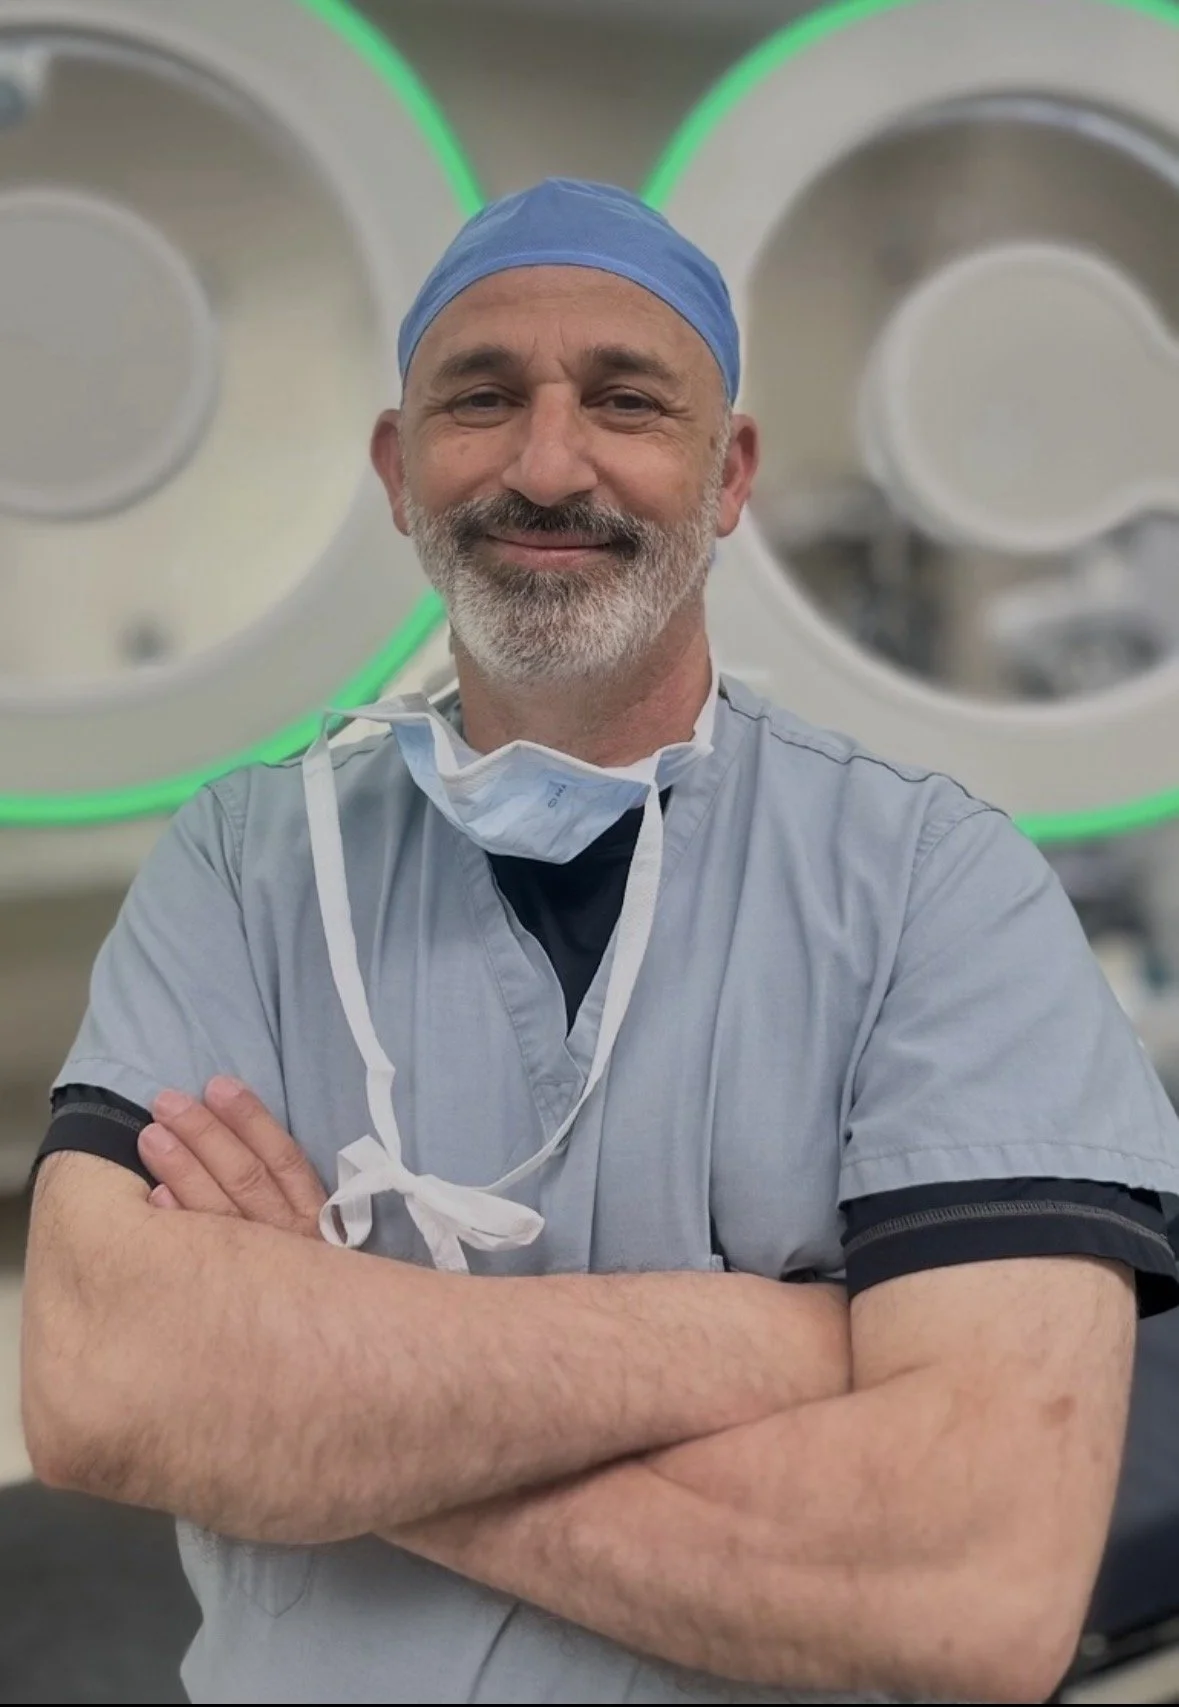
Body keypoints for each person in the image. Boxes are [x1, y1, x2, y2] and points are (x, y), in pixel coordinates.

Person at [20, 178, 1179, 1706]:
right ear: (397, 465)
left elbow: (966, 1589)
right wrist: (775, 1345)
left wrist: (317, 1404)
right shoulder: (244, 864)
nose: (546, 462)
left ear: (727, 471)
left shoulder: (931, 884)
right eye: (480, 398)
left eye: (625, 401)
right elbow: (100, 1384)